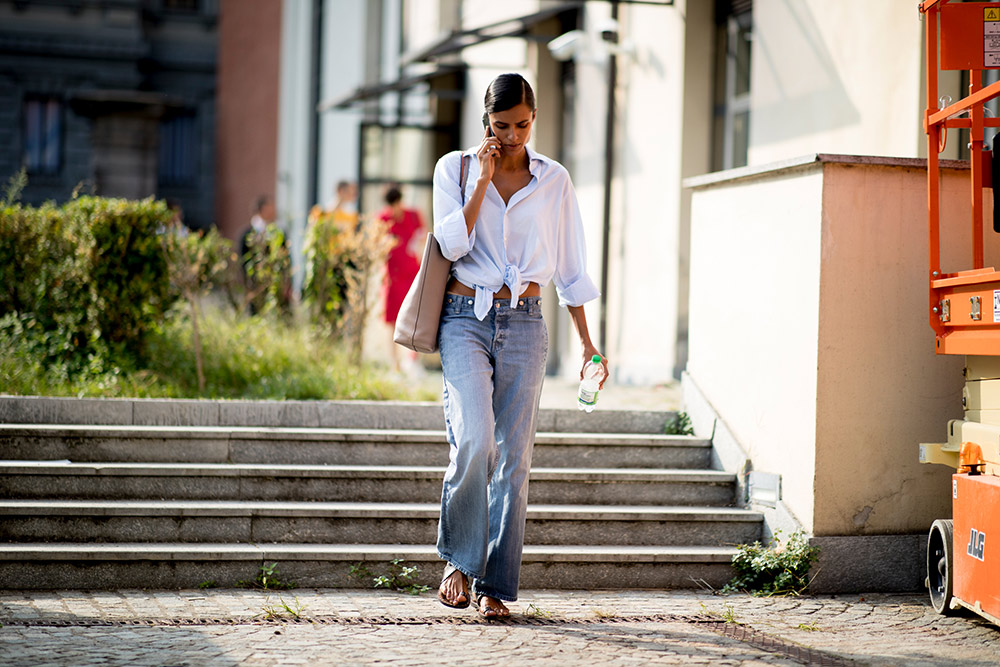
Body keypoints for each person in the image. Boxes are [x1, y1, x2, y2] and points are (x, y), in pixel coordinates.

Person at [432, 73, 608, 618]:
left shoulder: (554, 180)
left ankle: (494, 587)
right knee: (476, 440)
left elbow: (571, 266)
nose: (513, 136)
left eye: (524, 125)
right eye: (503, 125)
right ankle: (459, 560)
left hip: (526, 322)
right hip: (465, 317)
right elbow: (451, 243)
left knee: (515, 460)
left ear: (535, 118)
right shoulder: (455, 169)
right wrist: (482, 183)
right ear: (487, 120)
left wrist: (587, 344)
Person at [377, 184, 424, 372]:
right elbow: (378, 245)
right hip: (392, 276)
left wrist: (415, 245)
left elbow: (422, 235)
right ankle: (395, 364)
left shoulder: (413, 215)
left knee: (415, 316)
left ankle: (413, 359)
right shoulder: (382, 219)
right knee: (392, 320)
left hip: (412, 273)